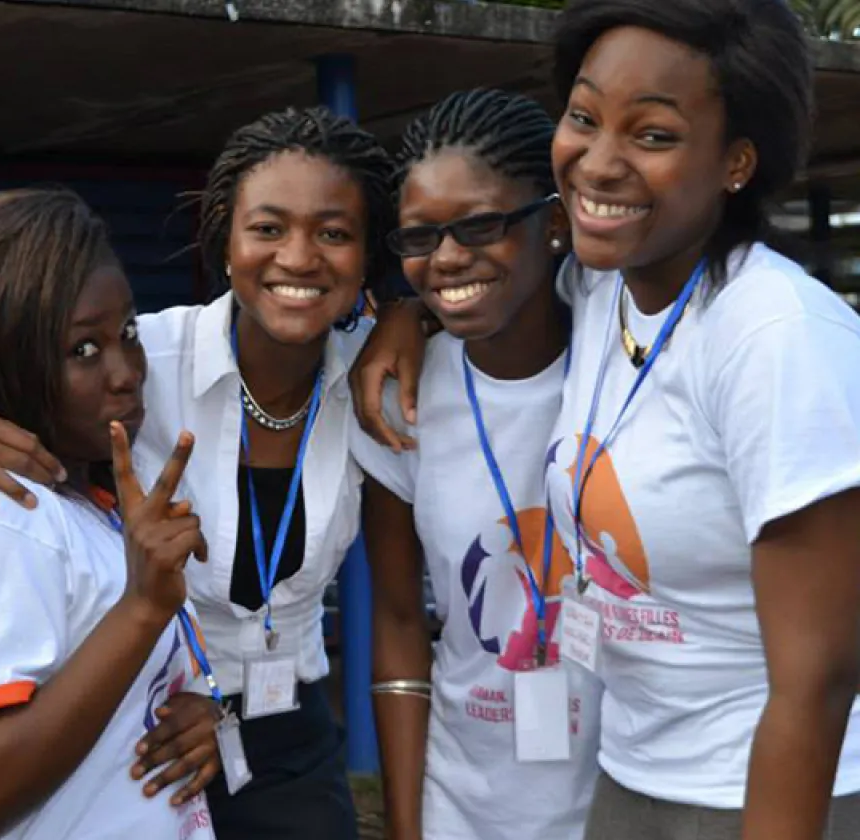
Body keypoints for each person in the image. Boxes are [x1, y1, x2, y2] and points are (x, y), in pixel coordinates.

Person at [353, 2, 860, 838]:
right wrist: (402, 316)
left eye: (653, 135)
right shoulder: (605, 295)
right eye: (584, 119)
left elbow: (819, 680)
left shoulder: (777, 340)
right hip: (631, 778)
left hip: (761, 791)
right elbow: (478, 285)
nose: (598, 161)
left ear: (736, 161)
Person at [0, 106, 396, 840]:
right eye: (269, 228)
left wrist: (413, 319)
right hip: (147, 732)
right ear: (225, 239)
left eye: (335, 233)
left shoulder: (379, 382)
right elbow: (1, 359)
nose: (299, 256)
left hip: (290, 731)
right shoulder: (138, 365)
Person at [0, 188, 218, 840]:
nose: (125, 372)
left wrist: (195, 714)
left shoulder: (88, 508)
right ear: (8, 360)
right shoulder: (0, 520)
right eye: (83, 349)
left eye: (128, 334)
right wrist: (141, 610)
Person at [350, 88, 600, 840]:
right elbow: (398, 618)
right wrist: (407, 824)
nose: (449, 257)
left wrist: (403, 312)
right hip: (467, 802)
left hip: (627, 793)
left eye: (482, 225)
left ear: (553, 222)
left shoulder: (623, 354)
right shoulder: (401, 400)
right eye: (420, 238)